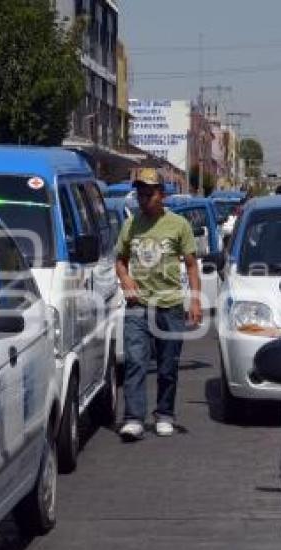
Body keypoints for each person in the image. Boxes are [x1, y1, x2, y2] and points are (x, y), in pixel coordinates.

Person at [115, 169, 202, 440]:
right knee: (136, 361)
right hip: (138, 305)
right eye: (140, 194)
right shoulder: (130, 225)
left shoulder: (179, 225)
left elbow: (190, 266)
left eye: (149, 194)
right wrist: (126, 280)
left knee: (167, 365)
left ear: (162, 195)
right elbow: (119, 260)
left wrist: (195, 301)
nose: (144, 199)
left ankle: (164, 414)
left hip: (170, 306)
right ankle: (133, 418)